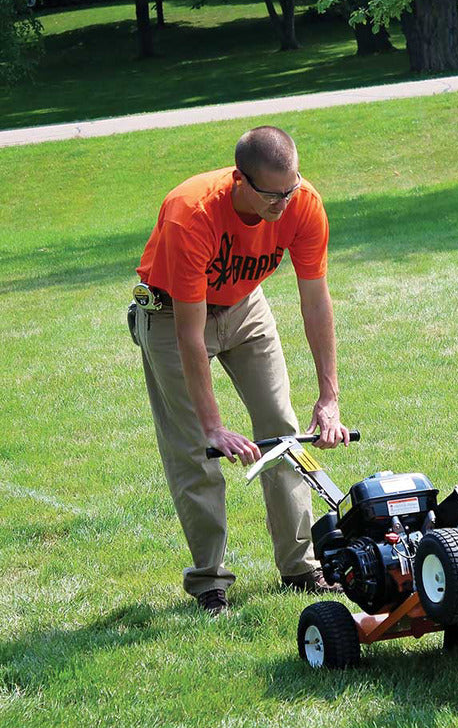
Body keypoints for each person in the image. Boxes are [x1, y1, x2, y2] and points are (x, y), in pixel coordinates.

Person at [131, 125, 348, 615]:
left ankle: (301, 566)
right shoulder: (192, 214)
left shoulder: (304, 202)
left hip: (246, 305)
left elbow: (315, 301)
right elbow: (190, 335)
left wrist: (329, 396)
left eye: (291, 189)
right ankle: (210, 582)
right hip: (171, 314)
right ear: (240, 181)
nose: (284, 204)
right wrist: (214, 426)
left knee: (283, 429)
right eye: (272, 195)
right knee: (197, 450)